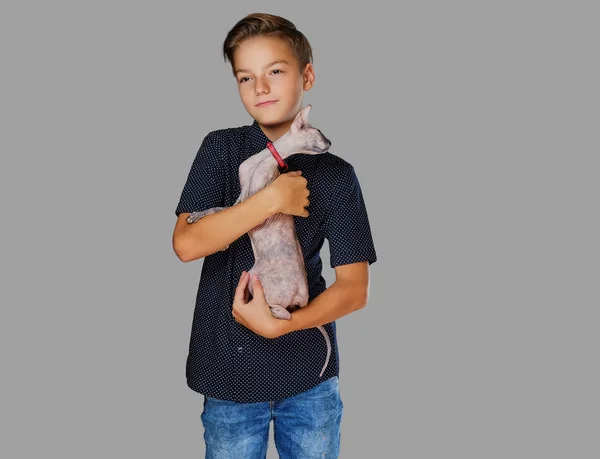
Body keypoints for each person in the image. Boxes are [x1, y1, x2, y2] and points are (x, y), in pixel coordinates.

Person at [172, 12, 377, 458]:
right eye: (246, 77)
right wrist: (269, 200)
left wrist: (284, 326)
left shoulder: (337, 176)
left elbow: (355, 288)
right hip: (228, 372)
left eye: (275, 72)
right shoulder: (220, 149)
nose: (260, 88)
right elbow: (187, 244)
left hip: (309, 376)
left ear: (308, 75)